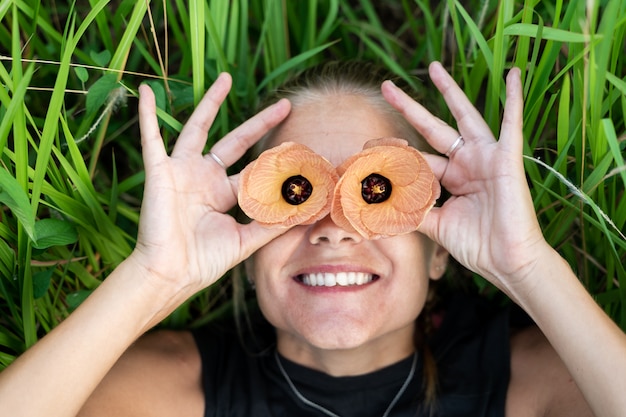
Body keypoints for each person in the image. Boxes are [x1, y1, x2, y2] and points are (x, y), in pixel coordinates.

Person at [0, 59, 625, 417]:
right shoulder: (176, 389)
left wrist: (527, 267)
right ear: (245, 250)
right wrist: (153, 279)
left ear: (439, 251)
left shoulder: (534, 381)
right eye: (295, 193)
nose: (332, 228)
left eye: (373, 189)